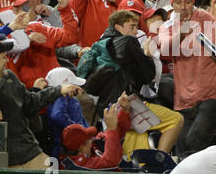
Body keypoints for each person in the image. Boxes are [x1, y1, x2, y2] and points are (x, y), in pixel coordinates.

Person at [77, 9, 183, 156]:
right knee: (176, 120)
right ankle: (160, 159)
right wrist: (148, 55)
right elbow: (148, 77)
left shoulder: (101, 44)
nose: (136, 31)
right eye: (132, 27)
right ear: (118, 27)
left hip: (106, 111)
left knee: (135, 155)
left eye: (137, 27)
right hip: (127, 106)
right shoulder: (128, 41)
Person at [0, 32, 83, 169]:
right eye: (4, 57)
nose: (7, 61)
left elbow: (30, 102)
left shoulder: (9, 77)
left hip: (27, 150)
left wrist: (58, 90)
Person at [158, 0, 216, 156]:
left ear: (193, 2)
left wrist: (212, 45)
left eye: (187, 1)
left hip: (213, 95)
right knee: (182, 144)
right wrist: (181, 34)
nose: (183, 7)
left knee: (194, 141)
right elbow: (165, 50)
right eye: (178, 2)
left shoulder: (208, 19)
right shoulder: (167, 26)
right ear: (172, 4)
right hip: (185, 98)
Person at [60, 95, 131, 170]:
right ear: (81, 147)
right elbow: (110, 161)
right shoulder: (77, 164)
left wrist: (124, 111)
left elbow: (114, 136)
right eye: (89, 139)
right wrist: (111, 129)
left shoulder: (91, 146)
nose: (92, 140)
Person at [44, 67, 88, 158]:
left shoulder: (59, 98)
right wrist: (76, 130)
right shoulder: (62, 97)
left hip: (68, 146)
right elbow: (57, 115)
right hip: (68, 148)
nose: (77, 87)